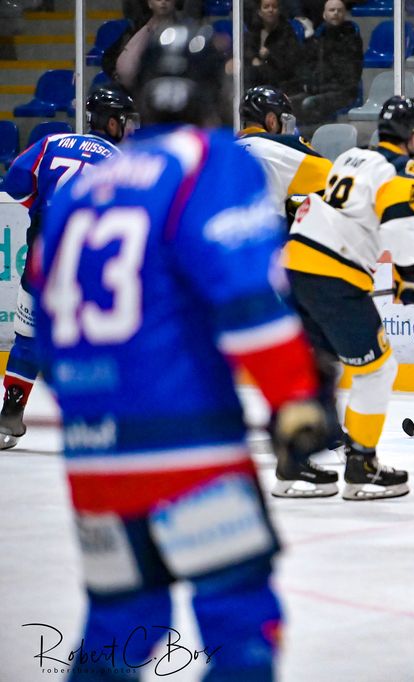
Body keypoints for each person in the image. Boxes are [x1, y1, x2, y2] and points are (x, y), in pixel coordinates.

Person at [33, 24, 331, 679]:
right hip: (191, 451)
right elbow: (249, 300)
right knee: (239, 619)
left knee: (120, 627)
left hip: (94, 454)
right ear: (210, 93)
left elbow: (46, 327)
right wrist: (295, 402)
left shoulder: (85, 186)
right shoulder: (209, 159)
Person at [282, 96, 414, 500]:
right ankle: (362, 466)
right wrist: (413, 274)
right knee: (377, 370)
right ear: (413, 135)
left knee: (318, 366)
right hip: (334, 273)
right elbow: (397, 226)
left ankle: (292, 464)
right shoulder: (403, 168)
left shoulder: (351, 156)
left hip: (296, 262)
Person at [0, 85, 137, 450]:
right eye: (124, 122)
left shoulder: (52, 142)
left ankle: (9, 413)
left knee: (27, 338)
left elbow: (14, 186)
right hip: (87, 257)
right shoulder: (122, 161)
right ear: (111, 122)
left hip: (42, 256)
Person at [236, 85, 333, 217]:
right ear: (272, 121)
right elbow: (330, 177)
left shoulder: (227, 151)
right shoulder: (284, 148)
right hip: (266, 234)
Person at [294, 0, 363, 126]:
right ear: (324, 15)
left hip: (343, 92)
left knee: (309, 103)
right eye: (332, 10)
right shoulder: (320, 36)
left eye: (339, 10)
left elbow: (347, 77)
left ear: (345, 14)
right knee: (291, 102)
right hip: (319, 89)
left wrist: (317, 88)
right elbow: (308, 64)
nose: (335, 13)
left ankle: (315, 139)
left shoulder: (351, 37)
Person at [243, 0, 303, 92]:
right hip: (256, 77)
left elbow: (291, 61)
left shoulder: (287, 31)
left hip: (280, 81)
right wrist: (253, 58)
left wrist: (269, 55)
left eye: (274, 7)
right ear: (259, 12)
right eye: (266, 7)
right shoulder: (253, 30)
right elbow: (247, 50)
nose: (271, 10)